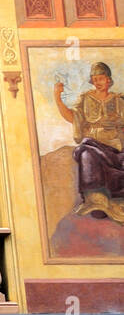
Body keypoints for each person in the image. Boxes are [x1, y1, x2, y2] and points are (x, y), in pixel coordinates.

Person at [54, 61, 124, 222]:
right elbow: (73, 118)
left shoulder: (120, 100)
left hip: (116, 146)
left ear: (108, 80)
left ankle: (116, 200)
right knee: (86, 154)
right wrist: (57, 98)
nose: (98, 82)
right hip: (93, 143)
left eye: (101, 78)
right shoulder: (86, 99)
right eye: (95, 79)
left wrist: (118, 123)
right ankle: (96, 199)